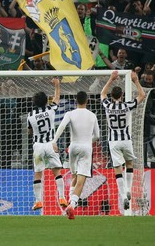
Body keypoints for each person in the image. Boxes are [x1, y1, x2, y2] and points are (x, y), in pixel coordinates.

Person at [101, 70, 146, 212]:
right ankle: (128, 189)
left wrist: (111, 79)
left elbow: (102, 94)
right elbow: (142, 95)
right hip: (126, 139)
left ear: (112, 96)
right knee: (129, 164)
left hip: (113, 141)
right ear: (121, 96)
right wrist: (136, 81)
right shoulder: (126, 106)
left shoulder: (108, 105)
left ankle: (123, 195)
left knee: (117, 168)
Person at [52, 91, 100, 220]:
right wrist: (87, 142)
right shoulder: (92, 115)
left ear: (75, 100)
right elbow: (97, 135)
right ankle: (72, 205)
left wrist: (54, 141)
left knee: (74, 176)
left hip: (72, 147)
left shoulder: (70, 113)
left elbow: (62, 126)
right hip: (86, 147)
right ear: (87, 101)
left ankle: (68, 204)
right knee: (81, 180)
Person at [27, 78, 68, 211]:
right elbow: (57, 97)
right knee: (57, 172)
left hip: (38, 146)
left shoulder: (30, 115)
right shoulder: (51, 109)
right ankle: (62, 197)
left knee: (38, 174)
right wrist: (57, 84)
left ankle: (38, 201)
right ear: (46, 101)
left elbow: (29, 131)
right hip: (51, 144)